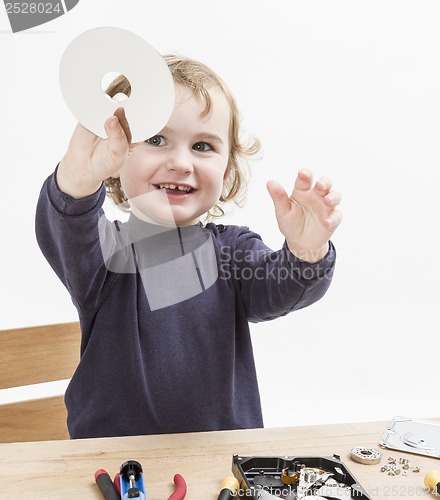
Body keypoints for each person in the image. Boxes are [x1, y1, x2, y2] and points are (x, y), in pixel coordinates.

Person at [36, 55, 342, 439]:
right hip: (111, 465)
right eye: (156, 139)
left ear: (227, 171)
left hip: (221, 468)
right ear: (114, 154)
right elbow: (68, 227)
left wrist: (305, 251)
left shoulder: (233, 252)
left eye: (202, 145)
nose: (180, 162)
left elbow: (279, 286)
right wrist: (78, 180)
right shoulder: (104, 255)